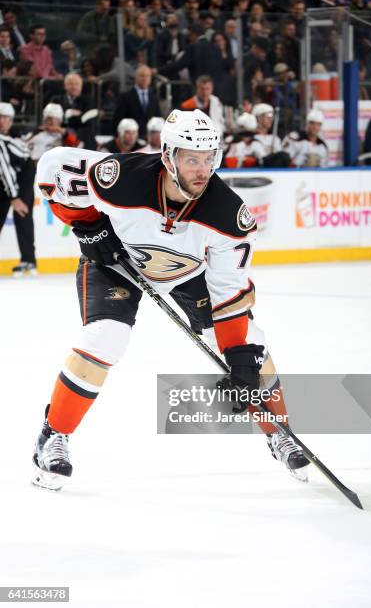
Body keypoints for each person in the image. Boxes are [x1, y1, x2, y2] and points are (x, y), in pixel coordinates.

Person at [32, 108, 309, 490]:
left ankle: (279, 431)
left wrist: (238, 354)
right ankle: (53, 435)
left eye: (209, 158)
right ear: (167, 156)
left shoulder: (229, 216)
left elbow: (229, 293)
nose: (202, 169)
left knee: (253, 345)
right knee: (106, 337)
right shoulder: (121, 177)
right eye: (191, 159)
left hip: (189, 274)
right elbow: (52, 168)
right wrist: (88, 226)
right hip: (117, 263)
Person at [0, 102, 37, 276]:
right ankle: (29, 260)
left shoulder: (6, 139)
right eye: (0, 117)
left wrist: (15, 197)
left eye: (6, 118)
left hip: (23, 176)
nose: (2, 121)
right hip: (9, 180)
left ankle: (29, 260)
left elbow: (6, 170)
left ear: (11, 120)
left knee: (22, 214)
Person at [112, 65, 161, 139]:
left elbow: (157, 119)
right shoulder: (125, 96)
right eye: (142, 76)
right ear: (136, 77)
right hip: (130, 140)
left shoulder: (154, 98)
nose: (145, 79)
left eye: (148, 76)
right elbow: (118, 119)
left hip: (149, 140)